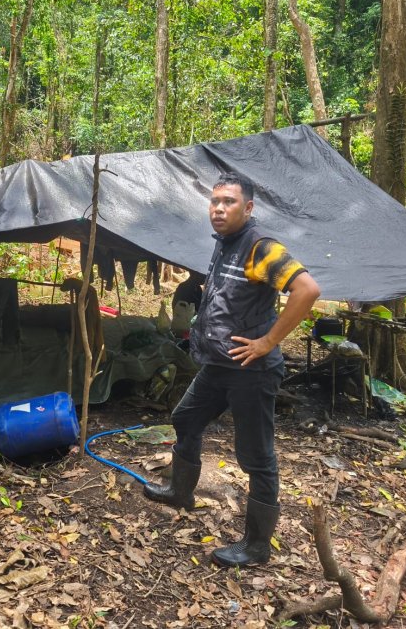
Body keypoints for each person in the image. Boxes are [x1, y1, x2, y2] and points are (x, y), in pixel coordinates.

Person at [143, 171, 320, 567]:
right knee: (185, 417)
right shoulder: (227, 244)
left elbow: (307, 290)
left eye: (229, 202)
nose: (219, 209)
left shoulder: (260, 247)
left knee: (256, 457)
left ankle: (256, 546)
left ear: (249, 208)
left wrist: (268, 342)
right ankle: (180, 491)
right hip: (219, 366)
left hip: (251, 370)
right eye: (215, 201)